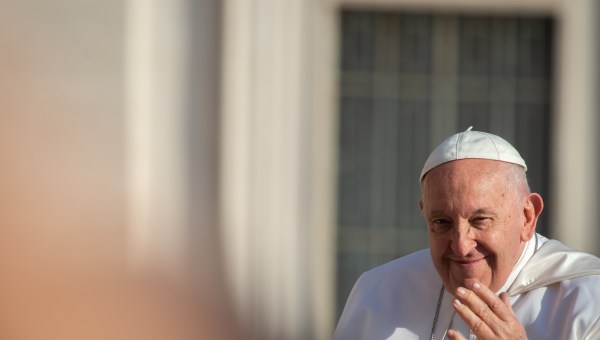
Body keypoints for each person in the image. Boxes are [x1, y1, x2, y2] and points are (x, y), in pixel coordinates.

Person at [333, 127, 600, 340]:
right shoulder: (378, 292)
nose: (460, 246)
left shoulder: (588, 302)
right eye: (441, 222)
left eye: (480, 220)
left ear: (527, 217)